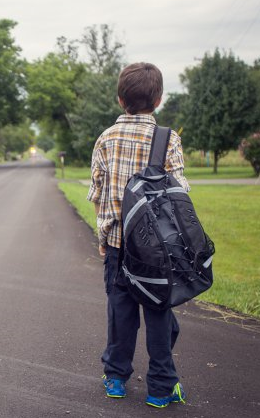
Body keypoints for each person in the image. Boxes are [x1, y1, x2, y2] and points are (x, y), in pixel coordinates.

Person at [87, 62, 191, 408]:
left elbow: (99, 196)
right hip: (158, 253)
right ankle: (161, 389)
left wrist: (104, 239)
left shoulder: (105, 139)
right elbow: (181, 195)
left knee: (121, 315)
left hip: (119, 248)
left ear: (120, 100)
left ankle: (115, 377)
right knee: (160, 316)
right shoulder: (167, 139)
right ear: (158, 100)